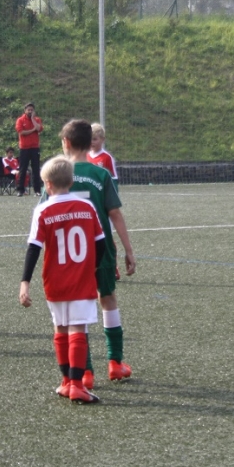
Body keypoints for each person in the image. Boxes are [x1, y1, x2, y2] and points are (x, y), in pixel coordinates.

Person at [20, 156, 107, 404]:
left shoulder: (43, 210)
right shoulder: (87, 207)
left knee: (60, 327)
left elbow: (33, 248)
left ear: (47, 184)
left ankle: (66, 382)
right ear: (70, 182)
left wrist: (25, 282)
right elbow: (100, 243)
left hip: (54, 279)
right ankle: (77, 386)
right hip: (81, 278)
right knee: (78, 327)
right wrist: (92, 268)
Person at [58, 119, 136, 388]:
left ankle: (86, 371)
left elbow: (47, 214)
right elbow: (115, 214)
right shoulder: (100, 174)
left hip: (70, 253)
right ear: (87, 142)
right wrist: (128, 250)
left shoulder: (58, 174)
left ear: (66, 143)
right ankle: (115, 363)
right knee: (108, 298)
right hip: (100, 247)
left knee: (78, 308)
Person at [15, 102, 44, 196]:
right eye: (28, 110)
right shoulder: (20, 120)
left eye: (32, 110)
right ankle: (20, 190)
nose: (30, 111)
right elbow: (21, 132)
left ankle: (37, 190)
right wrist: (32, 130)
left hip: (35, 148)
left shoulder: (37, 119)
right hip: (24, 148)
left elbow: (39, 129)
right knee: (23, 169)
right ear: (25, 110)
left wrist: (32, 119)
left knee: (36, 169)